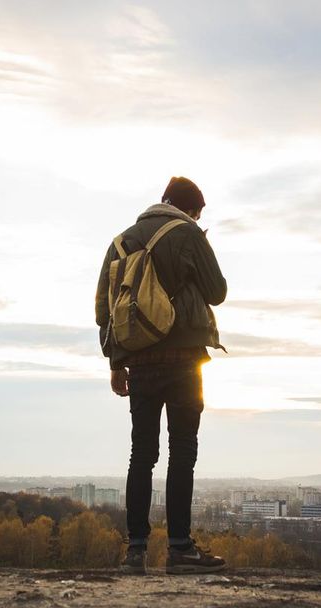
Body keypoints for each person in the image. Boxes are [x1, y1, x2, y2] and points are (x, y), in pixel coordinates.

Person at [95, 176, 227, 574]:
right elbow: (217, 290)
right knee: (182, 451)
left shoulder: (121, 241)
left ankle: (135, 550)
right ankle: (180, 549)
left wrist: (116, 364)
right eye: (198, 213)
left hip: (140, 362)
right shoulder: (187, 232)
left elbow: (106, 309)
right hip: (186, 357)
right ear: (191, 210)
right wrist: (199, 242)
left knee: (142, 454)